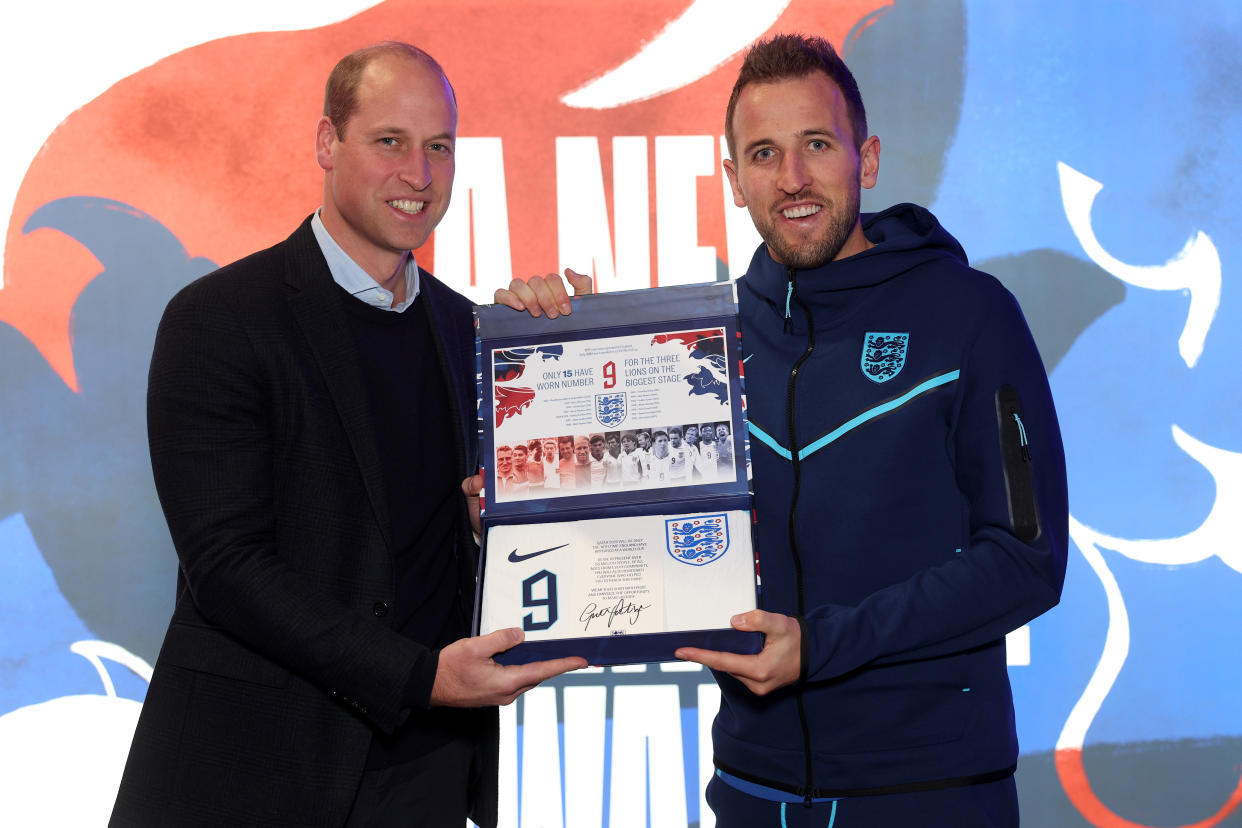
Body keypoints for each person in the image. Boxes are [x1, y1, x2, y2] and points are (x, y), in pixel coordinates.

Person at [499, 32, 1066, 828]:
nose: (793, 178)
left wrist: (822, 646)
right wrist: (564, 381)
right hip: (752, 791)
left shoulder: (969, 315)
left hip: (928, 791)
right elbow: (629, 548)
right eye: (764, 153)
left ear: (864, 160)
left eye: (816, 145)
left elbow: (1025, 560)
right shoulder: (701, 345)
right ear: (733, 179)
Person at [110, 42, 585, 828]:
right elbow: (226, 567)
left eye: (439, 147)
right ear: (328, 143)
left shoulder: (473, 333)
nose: (420, 175)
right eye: (389, 141)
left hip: (426, 771)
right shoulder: (219, 320)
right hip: (254, 771)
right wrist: (417, 677)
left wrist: (576, 350)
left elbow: (486, 530)